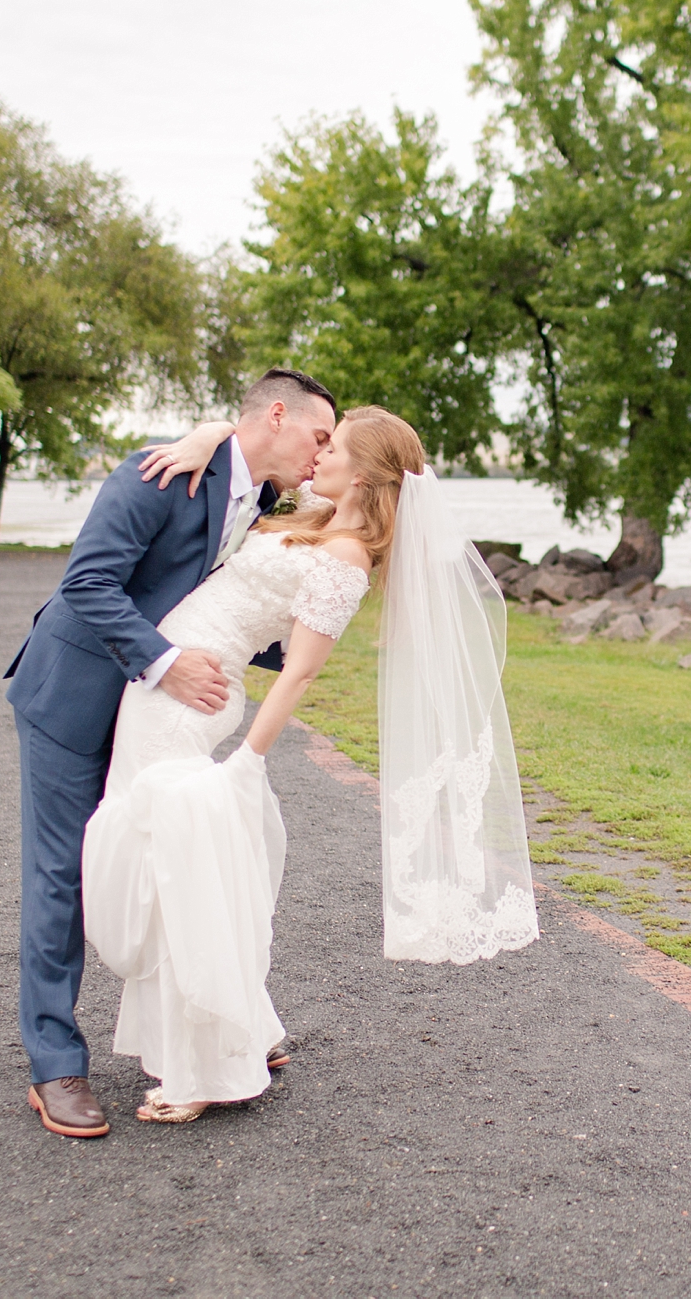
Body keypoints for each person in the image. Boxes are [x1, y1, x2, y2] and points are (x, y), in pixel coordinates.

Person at [82, 407, 539, 1123]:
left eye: (333, 446)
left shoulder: (347, 555)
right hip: (163, 687)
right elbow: (247, 476)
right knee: (170, 867)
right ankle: (244, 1032)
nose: (318, 453)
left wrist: (248, 762)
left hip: (187, 698)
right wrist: (207, 437)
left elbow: (297, 673)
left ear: (360, 473)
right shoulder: (316, 512)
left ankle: (202, 1068)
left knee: (175, 876)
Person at [3, 369, 337, 1140]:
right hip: (74, 699)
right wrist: (163, 661)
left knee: (176, 853)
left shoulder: (263, 496)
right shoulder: (158, 473)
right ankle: (56, 1066)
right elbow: (88, 583)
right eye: (319, 437)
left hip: (152, 712)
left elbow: (219, 602)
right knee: (62, 874)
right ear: (278, 416)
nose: (322, 456)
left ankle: (229, 1022)